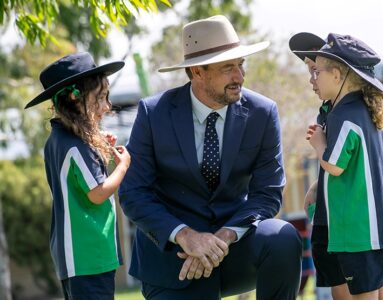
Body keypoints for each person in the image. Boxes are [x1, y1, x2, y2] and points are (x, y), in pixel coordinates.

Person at [118, 15, 302, 299]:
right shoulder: (153, 114)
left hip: (233, 250)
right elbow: (133, 193)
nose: (239, 76)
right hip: (174, 262)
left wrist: (222, 238)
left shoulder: (262, 113)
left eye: (241, 65)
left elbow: (267, 193)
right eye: (228, 68)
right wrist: (186, 236)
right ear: (197, 71)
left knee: (282, 238)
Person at [290, 32, 383, 300]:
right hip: (349, 225)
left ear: (337, 74)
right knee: (372, 287)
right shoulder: (348, 112)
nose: (312, 79)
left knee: (361, 290)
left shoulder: (349, 113)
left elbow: (339, 165)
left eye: (317, 71)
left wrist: (318, 145)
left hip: (354, 227)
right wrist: (319, 187)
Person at [25, 52, 131, 299]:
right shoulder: (77, 145)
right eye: (101, 98)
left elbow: (77, 181)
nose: (107, 107)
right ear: (76, 101)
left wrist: (99, 149)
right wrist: (123, 166)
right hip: (88, 253)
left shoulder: (58, 140)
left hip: (75, 257)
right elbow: (98, 193)